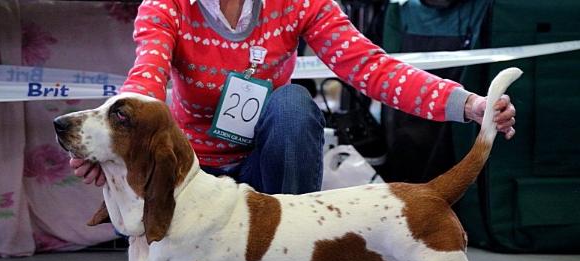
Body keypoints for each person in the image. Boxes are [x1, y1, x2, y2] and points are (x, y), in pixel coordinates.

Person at [70, 0, 516, 195]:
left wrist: (469, 104)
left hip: (269, 173)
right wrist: (105, 144)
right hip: (191, 174)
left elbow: (371, 67)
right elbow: (145, 80)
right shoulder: (164, 5)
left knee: (293, 103)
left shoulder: (301, 1)